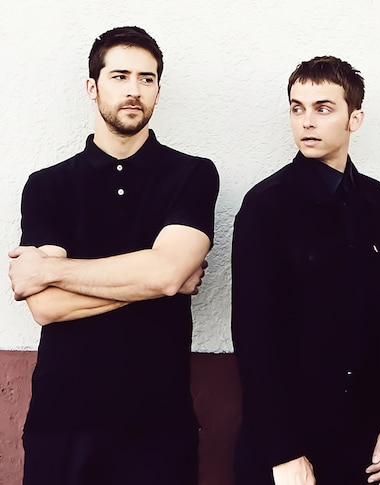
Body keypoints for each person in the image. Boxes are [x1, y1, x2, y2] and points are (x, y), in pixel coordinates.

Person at [7, 26, 219, 485]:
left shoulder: (192, 175)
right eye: (120, 76)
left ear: (158, 91)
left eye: (147, 79)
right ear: (92, 87)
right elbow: (45, 306)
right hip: (62, 424)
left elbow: (164, 273)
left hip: (158, 426)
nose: (133, 90)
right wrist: (158, 279)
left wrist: (51, 269)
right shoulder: (48, 185)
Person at [231, 55, 380, 485]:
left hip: (367, 447)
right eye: (297, 108)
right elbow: (254, 334)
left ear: (356, 118)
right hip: (291, 450)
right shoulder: (266, 205)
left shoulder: (377, 201)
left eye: (323, 108)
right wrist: (283, 452)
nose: (306, 122)